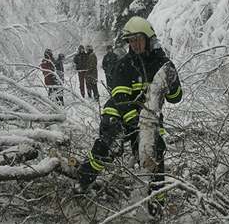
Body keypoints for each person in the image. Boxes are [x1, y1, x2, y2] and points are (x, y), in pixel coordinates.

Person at [77, 16, 183, 216]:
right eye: (131, 40)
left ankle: (156, 205)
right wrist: (136, 126)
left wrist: (173, 79)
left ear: (149, 38)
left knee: (156, 153)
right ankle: (83, 180)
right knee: (110, 141)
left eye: (138, 39)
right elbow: (122, 100)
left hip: (149, 117)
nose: (134, 44)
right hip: (118, 112)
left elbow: (176, 98)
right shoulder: (124, 65)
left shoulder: (162, 64)